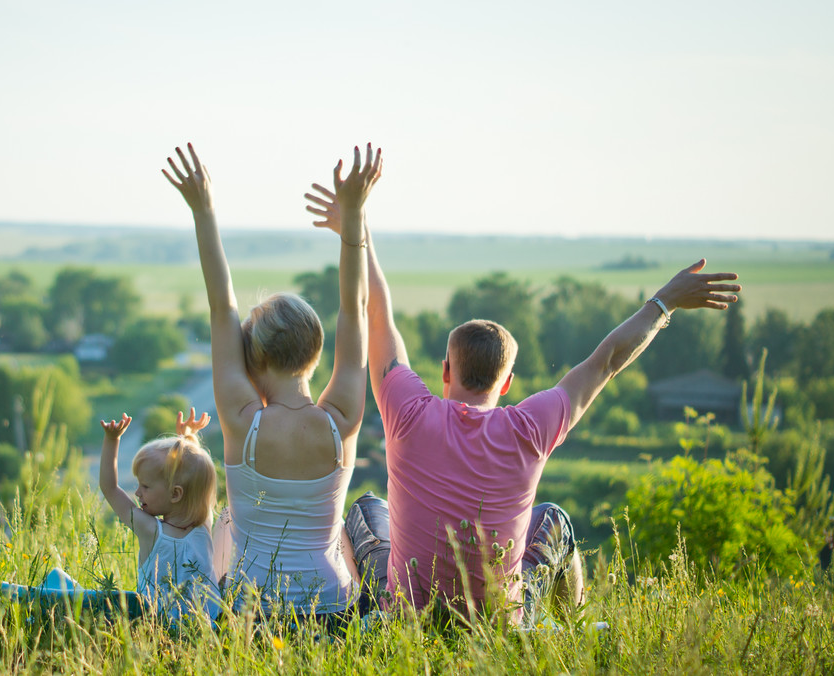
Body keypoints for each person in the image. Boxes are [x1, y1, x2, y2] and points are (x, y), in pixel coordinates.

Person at [305, 183, 741, 625]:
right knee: (555, 520)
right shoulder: (531, 427)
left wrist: (357, 225)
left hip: (408, 617)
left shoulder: (408, 411)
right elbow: (607, 361)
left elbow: (377, 312)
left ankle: (359, 619)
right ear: (509, 382)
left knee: (366, 510)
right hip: (498, 619)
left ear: (445, 371)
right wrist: (664, 301)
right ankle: (569, 634)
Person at [163, 143, 381, 618]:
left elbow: (222, 305)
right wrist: (354, 219)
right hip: (332, 606)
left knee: (226, 520)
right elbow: (354, 310)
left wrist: (204, 210)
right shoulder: (341, 419)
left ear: (254, 361)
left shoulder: (244, 422)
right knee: (360, 516)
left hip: (251, 607)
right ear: (317, 352)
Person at [98, 407, 222, 623]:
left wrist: (112, 440)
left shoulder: (152, 532)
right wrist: (188, 438)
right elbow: (194, 478)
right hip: (207, 626)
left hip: (158, 628)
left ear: (175, 494)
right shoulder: (204, 525)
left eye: (145, 486)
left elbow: (109, 488)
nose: (137, 493)